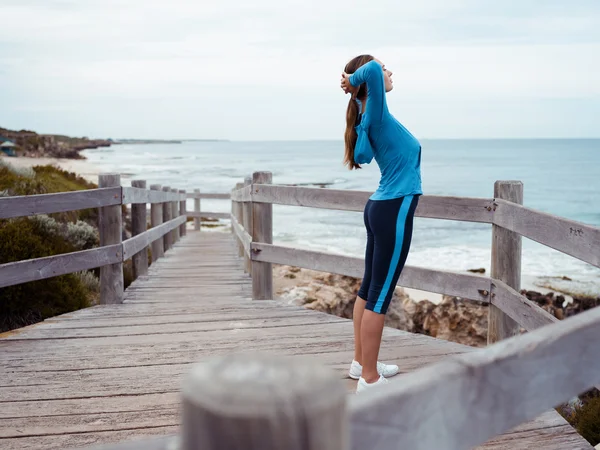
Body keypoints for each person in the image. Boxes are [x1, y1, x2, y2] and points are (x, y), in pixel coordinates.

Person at [340, 55, 422, 393]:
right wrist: (350, 79)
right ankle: (369, 380)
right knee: (380, 294)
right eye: (385, 66)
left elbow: (362, 157)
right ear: (367, 85)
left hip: (380, 207)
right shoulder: (374, 108)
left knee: (369, 288)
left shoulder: (368, 115)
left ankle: (361, 363)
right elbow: (371, 71)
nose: (389, 72)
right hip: (393, 207)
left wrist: (357, 93)